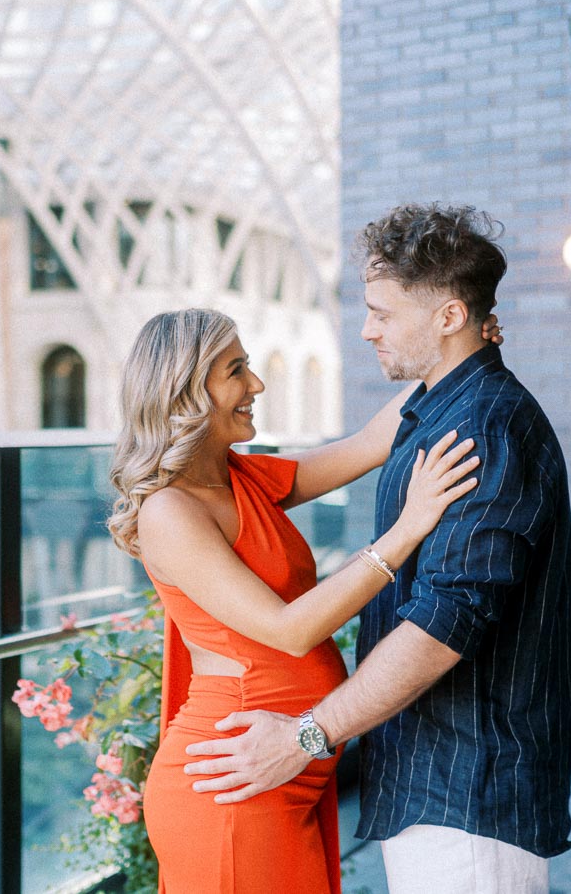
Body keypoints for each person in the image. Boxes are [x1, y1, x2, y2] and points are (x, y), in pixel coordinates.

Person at [183, 204, 571, 894]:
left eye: (382, 314)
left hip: (465, 789)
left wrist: (305, 737)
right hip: (431, 776)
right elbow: (345, 453)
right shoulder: (438, 406)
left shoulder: (480, 432)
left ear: (448, 317)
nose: (367, 330)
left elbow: (443, 627)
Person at [106, 307, 500, 892]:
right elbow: (289, 629)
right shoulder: (170, 511)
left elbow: (370, 442)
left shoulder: (242, 479)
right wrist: (407, 530)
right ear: (186, 391)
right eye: (235, 371)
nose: (256, 384)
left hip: (282, 766)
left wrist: (457, 354)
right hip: (233, 783)